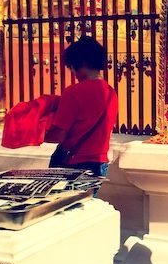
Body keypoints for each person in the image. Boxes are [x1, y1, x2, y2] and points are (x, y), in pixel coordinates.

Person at [45, 36, 118, 177]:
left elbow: (58, 136)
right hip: (99, 164)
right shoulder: (111, 92)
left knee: (65, 200)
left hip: (72, 163)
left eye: (72, 66)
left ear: (80, 63)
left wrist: (35, 133)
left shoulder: (73, 93)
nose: (73, 71)